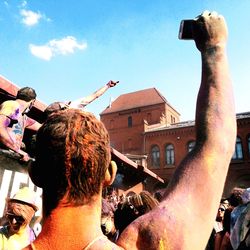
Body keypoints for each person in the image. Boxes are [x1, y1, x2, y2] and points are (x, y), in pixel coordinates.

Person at [23, 10, 236, 250]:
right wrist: (214, 49)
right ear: (109, 173)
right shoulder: (148, 241)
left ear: (34, 173)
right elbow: (216, 148)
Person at [0, 87, 42, 161]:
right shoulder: (12, 105)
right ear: (32, 102)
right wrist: (18, 150)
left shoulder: (23, 118)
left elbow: (45, 127)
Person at [44, 80, 118, 118]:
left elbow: (94, 95)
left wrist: (107, 86)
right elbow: (94, 96)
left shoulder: (72, 106)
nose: (67, 102)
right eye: (66, 103)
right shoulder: (71, 108)